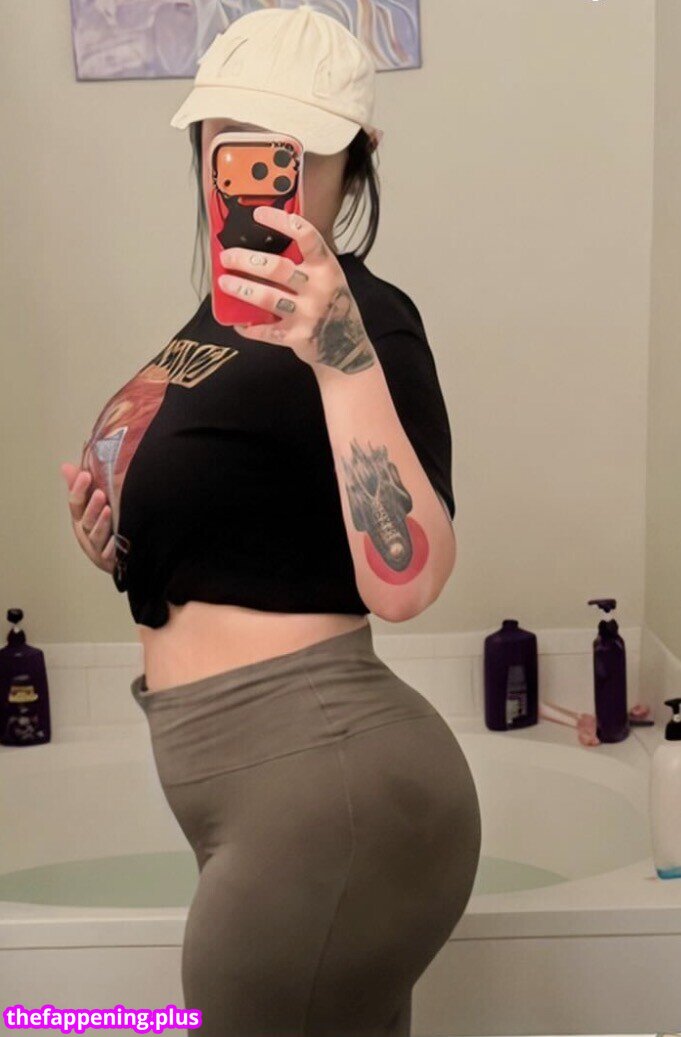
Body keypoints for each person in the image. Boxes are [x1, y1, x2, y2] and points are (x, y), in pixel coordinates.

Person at [60, 6, 481, 1035]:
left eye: (291, 154)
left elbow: (410, 580)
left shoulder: (365, 319)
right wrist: (126, 539)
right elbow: (247, 523)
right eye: (231, 144)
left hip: (321, 783)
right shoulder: (216, 318)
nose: (255, 177)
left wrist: (338, 352)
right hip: (257, 785)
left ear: (353, 161)